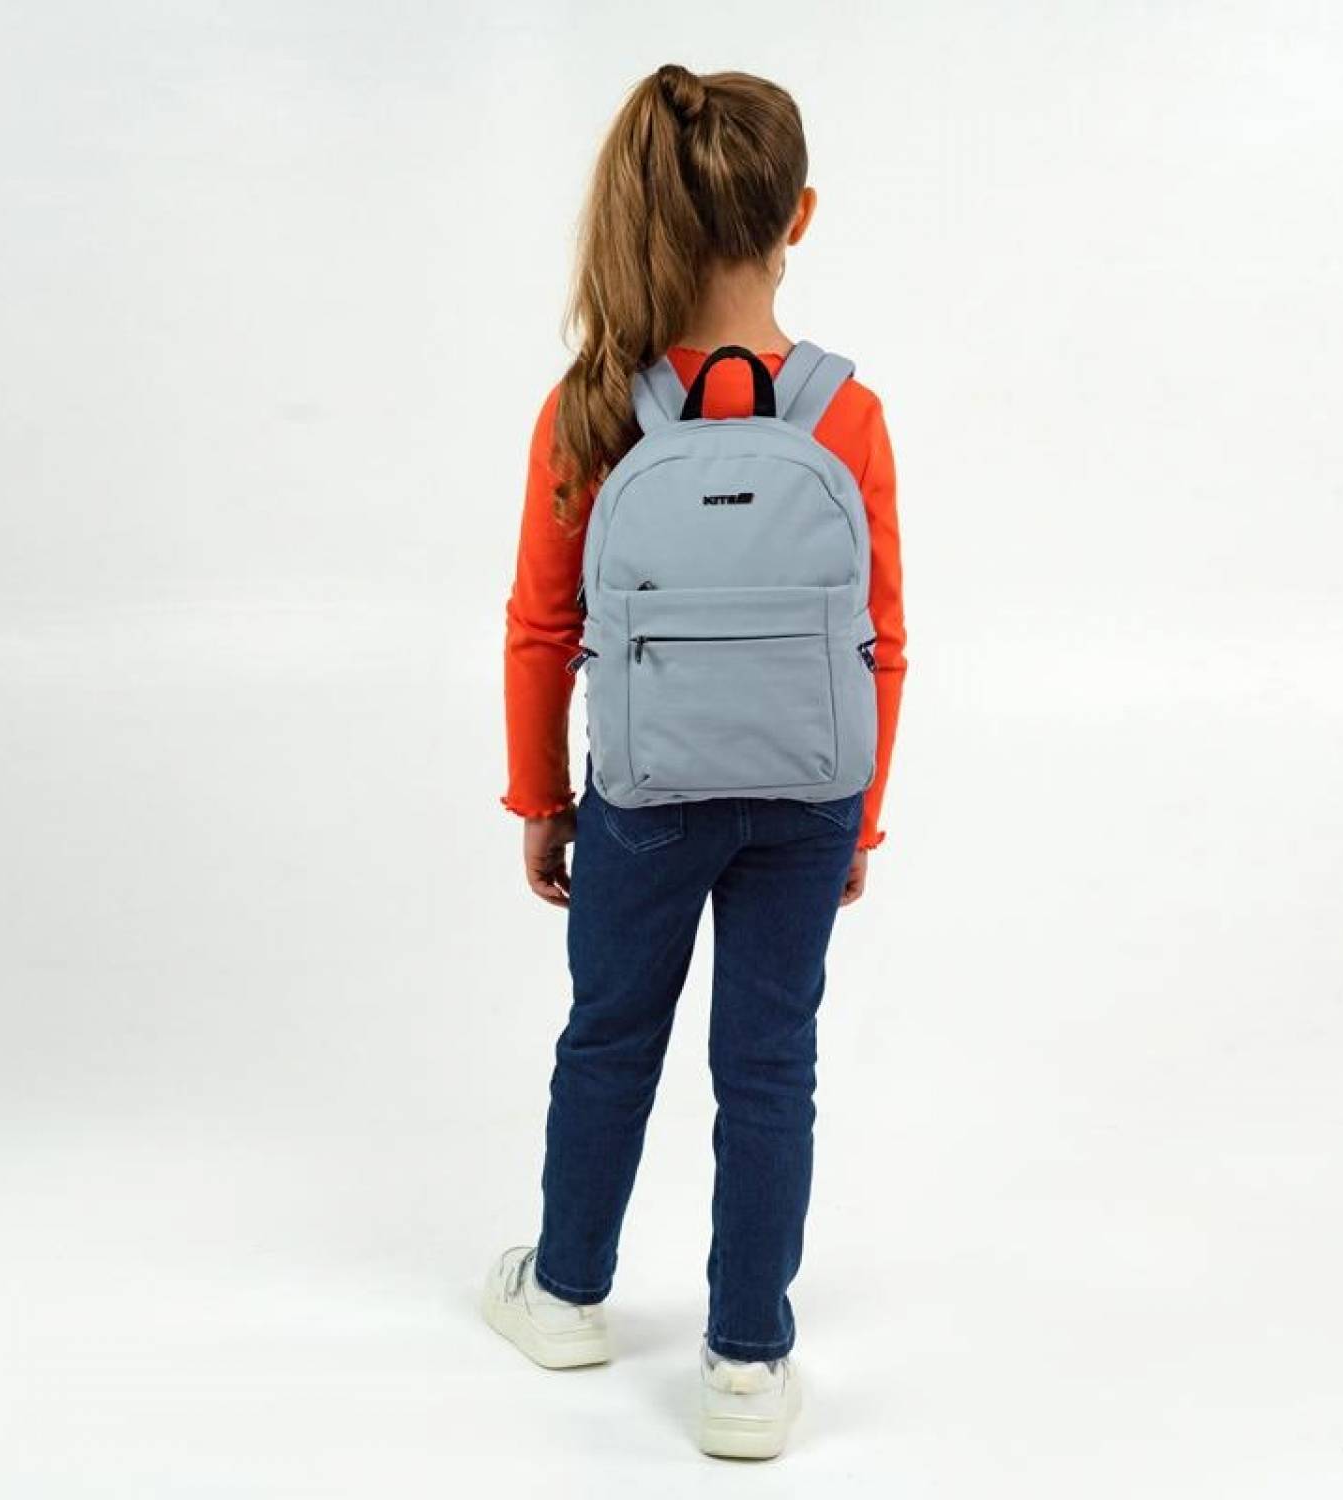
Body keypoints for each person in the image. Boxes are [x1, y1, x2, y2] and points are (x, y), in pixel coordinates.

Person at [481, 63, 907, 1460]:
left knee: (610, 1038)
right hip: (805, 797)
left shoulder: (595, 405)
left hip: (644, 796)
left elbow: (543, 629)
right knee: (770, 1064)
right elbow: (882, 640)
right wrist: (859, 820)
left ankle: (566, 1294)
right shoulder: (846, 414)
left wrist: (543, 801)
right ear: (801, 215)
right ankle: (745, 1367)